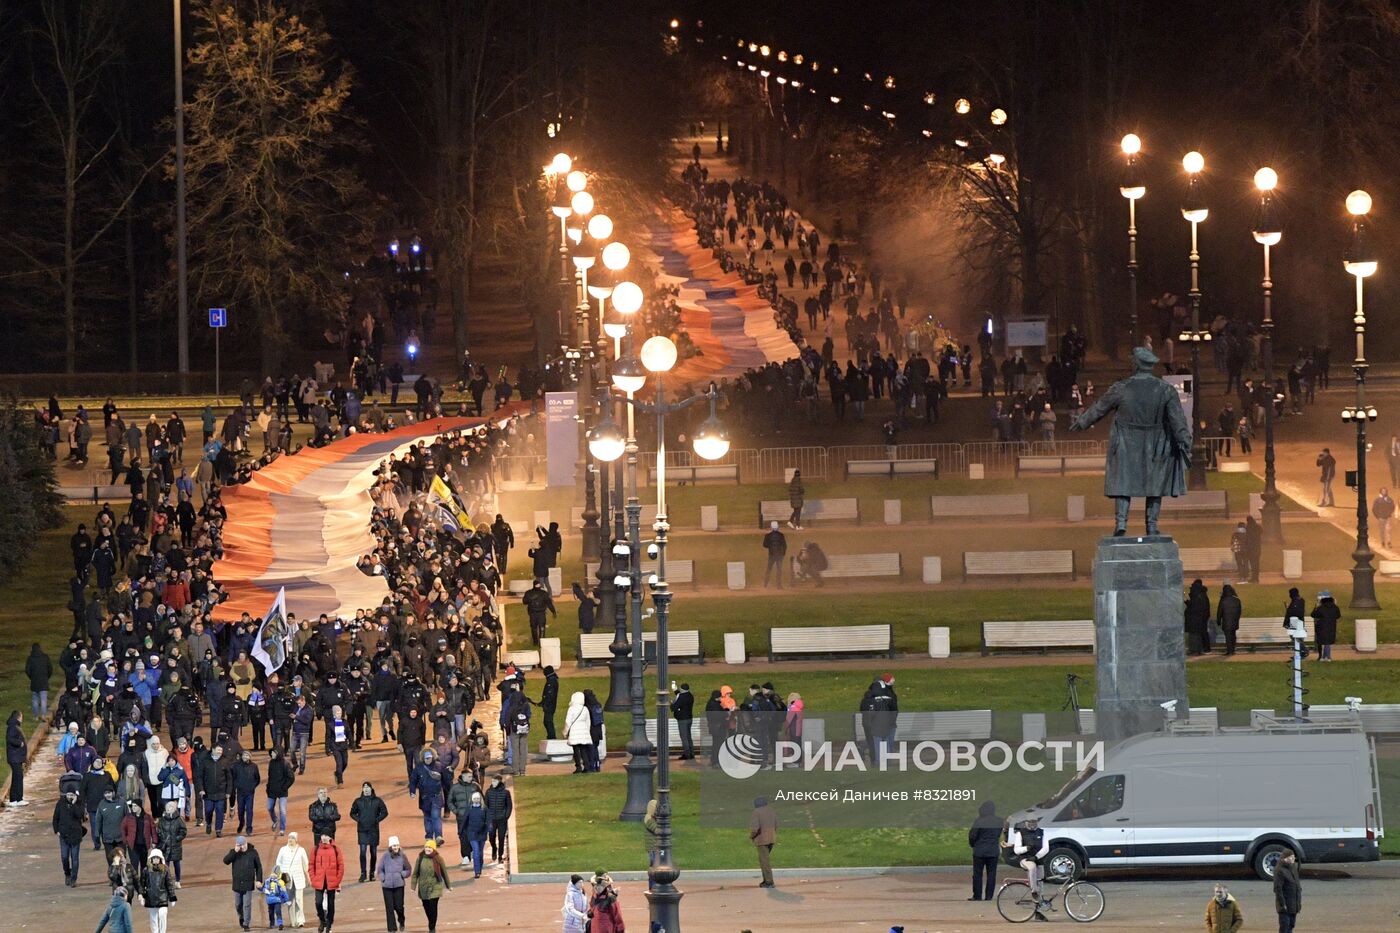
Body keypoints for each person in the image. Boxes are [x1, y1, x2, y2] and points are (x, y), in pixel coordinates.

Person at [1069, 346, 1192, 535]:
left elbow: (1100, 407)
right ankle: (1151, 525)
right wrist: (1185, 441)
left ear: (1136, 364)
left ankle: (1121, 523)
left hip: (1127, 442)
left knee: (1123, 482)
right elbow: (1178, 421)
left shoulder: (1122, 387)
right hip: (1156, 443)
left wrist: (1082, 422)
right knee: (1154, 484)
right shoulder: (1165, 390)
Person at [1009, 816, 1051, 921]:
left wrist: (1037, 856)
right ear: (1026, 822)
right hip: (1025, 860)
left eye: (1034, 822)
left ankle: (1038, 912)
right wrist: (1026, 848)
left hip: (1038, 859)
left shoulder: (1042, 832)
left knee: (1040, 883)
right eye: (1030, 822)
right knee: (1032, 868)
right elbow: (1016, 850)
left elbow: (1046, 848)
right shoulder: (1020, 833)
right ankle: (1033, 890)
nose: (1032, 824)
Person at [223, 835, 263, 932]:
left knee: (247, 904)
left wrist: (259, 880)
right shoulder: (234, 852)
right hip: (237, 883)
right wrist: (234, 852)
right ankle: (241, 917)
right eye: (239, 845)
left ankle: (246, 923)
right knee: (238, 904)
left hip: (248, 883)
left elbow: (258, 867)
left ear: (246, 844)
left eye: (242, 845)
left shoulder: (253, 852)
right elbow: (226, 861)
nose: (241, 847)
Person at [350, 781, 388, 883]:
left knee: (373, 853)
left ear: (371, 789)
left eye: (368, 787)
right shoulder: (358, 801)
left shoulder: (378, 801)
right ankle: (363, 873)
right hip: (362, 830)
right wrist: (359, 820)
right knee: (362, 852)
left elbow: (385, 812)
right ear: (362, 789)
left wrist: (377, 820)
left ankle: (372, 873)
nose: (366, 789)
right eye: (364, 787)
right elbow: (352, 813)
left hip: (373, 830)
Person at [410, 839, 451, 933]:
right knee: (426, 906)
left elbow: (444, 873)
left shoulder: (438, 858)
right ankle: (431, 922)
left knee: (433, 907)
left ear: (433, 848)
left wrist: (448, 885)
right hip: (423, 887)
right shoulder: (420, 858)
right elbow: (415, 873)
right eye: (426, 847)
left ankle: (432, 927)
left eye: (429, 847)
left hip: (435, 886)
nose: (427, 849)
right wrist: (413, 886)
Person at [273, 831, 310, 930]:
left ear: (296, 840)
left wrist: (308, 878)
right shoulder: (283, 850)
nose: (290, 840)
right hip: (287, 879)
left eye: (292, 838)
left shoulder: (301, 850)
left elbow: (306, 865)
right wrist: (279, 876)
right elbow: (278, 863)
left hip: (299, 878)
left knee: (299, 900)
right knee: (289, 901)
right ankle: (292, 921)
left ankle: (300, 920)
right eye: (289, 838)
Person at [309, 832, 344, 933]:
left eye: (326, 836)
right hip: (319, 881)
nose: (324, 838)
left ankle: (329, 924)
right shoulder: (315, 849)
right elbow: (311, 865)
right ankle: (322, 920)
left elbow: (340, 866)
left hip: (331, 882)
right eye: (323, 835)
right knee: (318, 902)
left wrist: (337, 880)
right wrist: (313, 877)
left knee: (330, 904)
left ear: (330, 837)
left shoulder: (336, 849)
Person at [967, 800, 1001, 901]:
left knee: (977, 874)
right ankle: (989, 896)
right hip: (993, 851)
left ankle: (977, 895)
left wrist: (973, 845)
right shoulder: (999, 821)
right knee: (991, 874)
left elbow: (973, 835)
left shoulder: (979, 821)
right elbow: (998, 834)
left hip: (979, 851)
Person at [52, 786, 87, 887]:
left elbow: (80, 816)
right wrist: (56, 830)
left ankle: (73, 879)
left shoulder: (79, 803)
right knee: (64, 857)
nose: (70, 797)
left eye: (72, 795)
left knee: (75, 859)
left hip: (75, 835)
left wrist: (74, 804)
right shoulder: (60, 803)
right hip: (64, 834)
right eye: (68, 795)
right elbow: (55, 818)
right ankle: (67, 873)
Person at [376, 836, 412, 932]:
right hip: (386, 886)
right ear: (390, 847)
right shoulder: (385, 856)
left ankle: (401, 919)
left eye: (397, 845)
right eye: (393, 846)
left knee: (399, 906)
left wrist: (403, 874)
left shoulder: (403, 856)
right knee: (389, 908)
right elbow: (380, 869)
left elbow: (408, 869)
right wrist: (383, 878)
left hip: (399, 885)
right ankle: (392, 929)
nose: (395, 847)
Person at [142, 849, 176, 933]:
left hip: (163, 897)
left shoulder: (165, 869)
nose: (156, 859)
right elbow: (142, 884)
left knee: (162, 914)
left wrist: (172, 897)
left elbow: (169, 883)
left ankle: (162, 931)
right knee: (153, 918)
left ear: (160, 859)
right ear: (151, 859)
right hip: (151, 897)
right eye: (154, 858)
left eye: (157, 858)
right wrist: (142, 896)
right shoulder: (146, 870)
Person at [749, 795, 778, 888]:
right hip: (771, 838)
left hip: (762, 840)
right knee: (764, 860)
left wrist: (752, 836)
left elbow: (755, 828)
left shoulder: (756, 812)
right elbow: (776, 824)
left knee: (764, 861)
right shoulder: (771, 811)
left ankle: (769, 881)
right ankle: (766, 880)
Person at [155, 800, 186, 887]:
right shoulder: (162, 820)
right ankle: (167, 881)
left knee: (177, 864)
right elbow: (159, 830)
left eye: (171, 807)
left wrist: (177, 838)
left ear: (174, 809)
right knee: (165, 865)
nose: (169, 808)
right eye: (168, 807)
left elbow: (183, 831)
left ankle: (177, 880)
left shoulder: (179, 819)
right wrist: (161, 838)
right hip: (165, 846)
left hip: (176, 846)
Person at [265, 746, 295, 836]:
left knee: (282, 810)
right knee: (269, 807)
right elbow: (270, 777)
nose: (272, 754)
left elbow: (291, 778)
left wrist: (284, 787)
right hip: (272, 790)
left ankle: (282, 829)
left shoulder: (285, 764)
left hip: (282, 791)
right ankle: (275, 820)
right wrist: (268, 787)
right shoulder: (271, 763)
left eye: (274, 753)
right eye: (272, 753)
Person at [485, 773, 513, 864]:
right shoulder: (488, 792)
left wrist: (506, 816)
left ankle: (500, 856)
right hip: (492, 819)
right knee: (491, 836)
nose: (493, 783)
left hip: (502, 819)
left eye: (495, 781)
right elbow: (486, 805)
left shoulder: (506, 793)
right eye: (492, 781)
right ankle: (494, 848)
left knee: (501, 837)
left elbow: (509, 806)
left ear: (499, 782)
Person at [1273, 849, 1302, 932]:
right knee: (1285, 926)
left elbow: (1297, 884)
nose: (1293, 859)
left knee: (1291, 925)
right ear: (1285, 858)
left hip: (1294, 904)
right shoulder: (1279, 870)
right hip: (1285, 906)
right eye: (1291, 857)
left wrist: (1298, 903)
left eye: (1293, 857)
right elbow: (1278, 889)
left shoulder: (1293, 867)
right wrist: (1283, 904)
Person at [564, 691, 592, 774]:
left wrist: (565, 732)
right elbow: (588, 722)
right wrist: (587, 731)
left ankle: (578, 767)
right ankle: (586, 766)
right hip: (583, 731)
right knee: (583, 750)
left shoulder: (571, 709)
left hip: (574, 732)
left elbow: (568, 722)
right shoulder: (585, 709)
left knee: (576, 750)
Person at [522, 579, 556, 646]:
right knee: (538, 627)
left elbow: (524, 601)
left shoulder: (529, 593)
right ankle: (539, 642)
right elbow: (549, 603)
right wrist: (553, 611)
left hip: (536, 613)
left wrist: (553, 611)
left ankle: (538, 642)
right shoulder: (543, 593)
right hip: (537, 613)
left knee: (537, 627)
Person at [1311, 590, 1341, 661]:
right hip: (1331, 626)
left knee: (1323, 642)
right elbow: (1338, 615)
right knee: (1328, 642)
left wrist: (1316, 607)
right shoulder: (1335, 607)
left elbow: (1313, 615)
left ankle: (1325, 657)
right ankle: (1326, 656)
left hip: (1321, 627)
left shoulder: (1321, 608)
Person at [26, 643, 53, 719]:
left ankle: (36, 716)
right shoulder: (45, 657)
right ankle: (43, 715)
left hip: (34, 681)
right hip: (44, 681)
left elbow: (27, 670)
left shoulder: (30, 658)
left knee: (35, 699)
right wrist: (47, 677)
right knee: (43, 699)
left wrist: (31, 677)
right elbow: (50, 669)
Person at [7, 710, 28, 806]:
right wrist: (20, 743)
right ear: (18, 717)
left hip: (16, 757)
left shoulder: (15, 726)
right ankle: (17, 799)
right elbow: (10, 739)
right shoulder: (13, 726)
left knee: (17, 777)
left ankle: (15, 799)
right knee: (18, 777)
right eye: (21, 716)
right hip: (14, 757)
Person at [1216, 583, 1243, 656]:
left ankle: (1229, 651)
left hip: (1226, 621)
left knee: (1228, 636)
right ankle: (1233, 650)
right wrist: (1237, 619)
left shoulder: (1223, 600)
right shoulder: (1237, 600)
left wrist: (1218, 621)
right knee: (1233, 635)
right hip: (1234, 621)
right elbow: (1239, 611)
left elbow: (1219, 612)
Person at [671, 683, 695, 759]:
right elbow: (682, 696)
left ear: (681, 690)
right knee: (688, 737)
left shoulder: (681, 697)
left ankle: (687, 754)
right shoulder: (690, 695)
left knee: (684, 737)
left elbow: (674, 707)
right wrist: (675, 691)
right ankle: (691, 753)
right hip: (689, 718)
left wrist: (671, 703)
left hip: (682, 720)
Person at [762, 521, 787, 588]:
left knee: (769, 569)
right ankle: (778, 585)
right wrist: (783, 554)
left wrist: (770, 546)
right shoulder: (781, 535)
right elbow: (784, 545)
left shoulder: (767, 535)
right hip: (779, 555)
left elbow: (764, 545)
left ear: (771, 527)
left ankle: (765, 584)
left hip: (771, 555)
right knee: (779, 570)